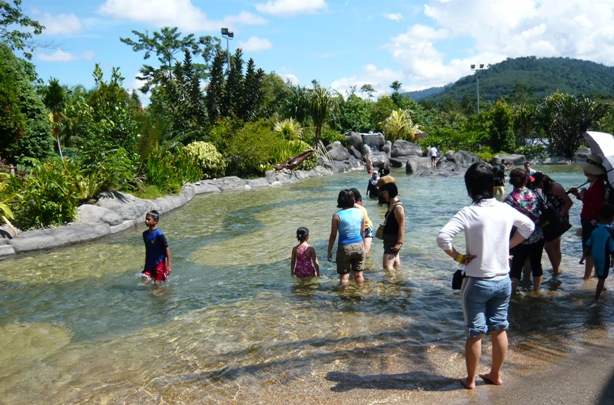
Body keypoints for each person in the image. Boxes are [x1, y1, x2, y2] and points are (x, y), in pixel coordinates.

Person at [437, 162, 534, 390]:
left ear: (470, 188)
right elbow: (528, 227)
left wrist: (458, 257)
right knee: (499, 328)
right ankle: (495, 374)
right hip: (503, 280)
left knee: (475, 332)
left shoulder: (469, 212)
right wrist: (507, 247)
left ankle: (470, 380)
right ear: (492, 185)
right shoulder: (506, 209)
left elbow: (442, 238)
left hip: (477, 283)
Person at [504, 168, 546, 292]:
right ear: (526, 180)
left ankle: (511, 296)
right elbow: (545, 208)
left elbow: (505, 220)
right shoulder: (535, 194)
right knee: (536, 265)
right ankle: (536, 292)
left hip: (519, 237)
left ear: (511, 181)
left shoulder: (510, 199)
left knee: (516, 268)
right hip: (538, 234)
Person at [569, 154, 606, 280]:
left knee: (588, 248)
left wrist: (584, 197)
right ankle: (594, 275)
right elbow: (589, 201)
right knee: (590, 247)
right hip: (588, 218)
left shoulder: (598, 184)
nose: (584, 169)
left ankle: (586, 277)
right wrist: (578, 195)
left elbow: (596, 206)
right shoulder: (593, 182)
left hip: (591, 220)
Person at [532, 172, 573, 276]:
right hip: (553, 219)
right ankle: (556, 268)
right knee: (556, 245)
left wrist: (560, 215)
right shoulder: (547, 188)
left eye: (538, 184)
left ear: (542, 181)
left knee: (548, 246)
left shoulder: (556, 187)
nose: (538, 187)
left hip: (559, 219)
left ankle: (555, 271)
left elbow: (569, 202)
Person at [327, 189, 366, 286]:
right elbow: (363, 231)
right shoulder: (360, 212)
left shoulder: (337, 215)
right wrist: (363, 246)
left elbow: (333, 235)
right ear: (353, 200)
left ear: (340, 200)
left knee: (344, 276)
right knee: (359, 275)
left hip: (345, 247)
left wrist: (329, 251)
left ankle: (344, 296)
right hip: (359, 245)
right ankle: (361, 292)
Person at [585, 204, 614, 302]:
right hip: (604, 257)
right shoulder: (611, 231)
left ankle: (603, 287)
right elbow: (612, 248)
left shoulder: (595, 229)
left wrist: (583, 257)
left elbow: (588, 244)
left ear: (600, 216)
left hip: (594, 256)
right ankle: (596, 298)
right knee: (602, 277)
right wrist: (613, 259)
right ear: (612, 218)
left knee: (599, 272)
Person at [142, 210, 172, 285]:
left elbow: (167, 248)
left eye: (148, 219)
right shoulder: (145, 234)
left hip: (159, 263)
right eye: (145, 219)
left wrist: (169, 265)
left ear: (155, 221)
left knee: (157, 284)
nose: (146, 221)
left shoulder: (159, 234)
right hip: (149, 263)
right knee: (144, 280)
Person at [380, 182, 405, 271]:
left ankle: (391, 283)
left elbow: (402, 225)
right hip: (389, 239)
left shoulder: (398, 207)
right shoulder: (391, 204)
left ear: (391, 192)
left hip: (393, 240)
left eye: (384, 193)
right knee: (395, 263)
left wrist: (399, 242)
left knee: (387, 266)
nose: (383, 196)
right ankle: (398, 281)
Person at [351, 188, 374, 256]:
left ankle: (368, 265)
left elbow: (363, 227)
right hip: (358, 229)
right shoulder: (349, 207)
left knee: (365, 252)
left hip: (367, 228)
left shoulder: (360, 208)